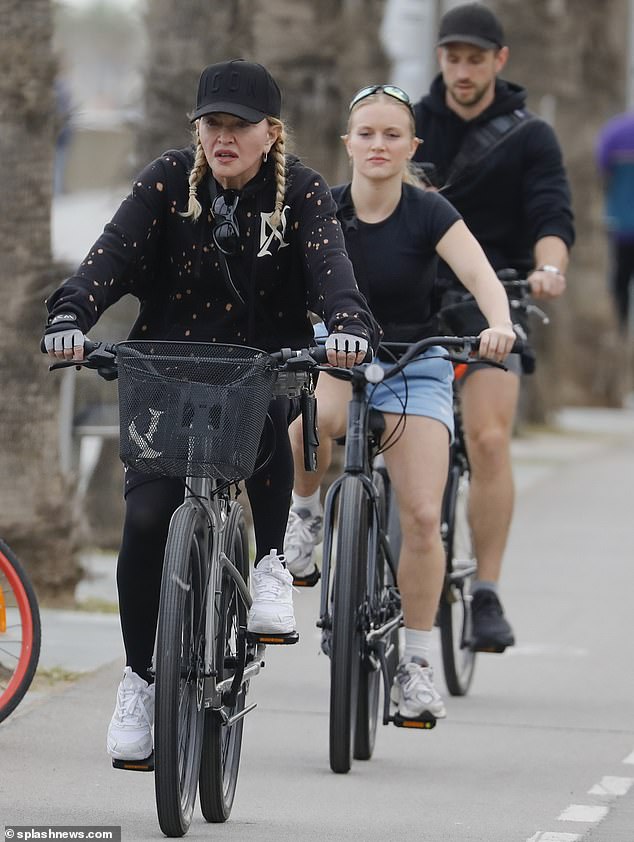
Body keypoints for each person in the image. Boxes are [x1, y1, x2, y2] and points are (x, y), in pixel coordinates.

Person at [42, 59, 378, 762]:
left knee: (267, 409)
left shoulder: (304, 195)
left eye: (238, 125)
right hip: (167, 373)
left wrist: (346, 324)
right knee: (142, 520)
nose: (223, 138)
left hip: (259, 369)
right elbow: (109, 259)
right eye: (211, 125)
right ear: (196, 130)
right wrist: (72, 312)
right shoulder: (167, 182)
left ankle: (269, 569)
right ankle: (139, 678)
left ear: (270, 133)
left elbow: (332, 274)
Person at [284, 84, 516, 720]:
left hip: (417, 362)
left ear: (411, 146)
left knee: (420, 514)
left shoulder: (430, 212)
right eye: (366, 134)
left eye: (392, 135)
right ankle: (304, 514)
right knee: (317, 417)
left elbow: (481, 279)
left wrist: (499, 324)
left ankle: (414, 662)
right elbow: (280, 282)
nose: (378, 145)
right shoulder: (321, 209)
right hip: (339, 353)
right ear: (347, 144)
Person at [411, 2, 574, 652]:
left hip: (495, 300)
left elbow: (552, 217)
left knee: (489, 438)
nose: (462, 70)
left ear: (499, 61)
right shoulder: (412, 123)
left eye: (476, 58)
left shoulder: (530, 137)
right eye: (453, 57)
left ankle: (486, 593)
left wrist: (549, 270)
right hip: (414, 295)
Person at [596, 111, 634, 333]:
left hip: (621, 223)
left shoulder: (614, 132)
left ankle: (621, 330)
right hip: (622, 223)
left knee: (621, 280)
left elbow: (603, 169)